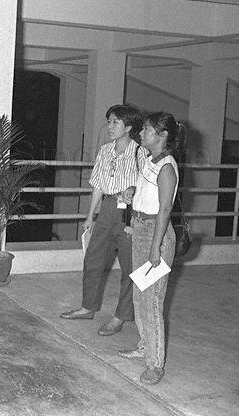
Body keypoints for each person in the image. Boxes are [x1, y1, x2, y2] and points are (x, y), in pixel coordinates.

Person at [61, 104, 143, 336]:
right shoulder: (106, 150)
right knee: (93, 259)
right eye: (109, 122)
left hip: (130, 213)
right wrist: (90, 217)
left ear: (128, 127)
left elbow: (148, 185)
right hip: (107, 208)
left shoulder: (140, 153)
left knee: (129, 267)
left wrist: (134, 188)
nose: (110, 126)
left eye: (115, 122)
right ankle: (88, 307)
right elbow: (97, 185)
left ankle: (120, 316)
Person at [119, 112, 185, 385]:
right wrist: (132, 192)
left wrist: (155, 246)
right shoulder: (149, 160)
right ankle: (145, 345)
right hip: (141, 228)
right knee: (139, 296)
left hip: (156, 235)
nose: (142, 134)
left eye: (147, 130)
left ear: (163, 136)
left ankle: (155, 365)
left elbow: (165, 210)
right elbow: (148, 191)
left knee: (152, 302)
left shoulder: (167, 167)